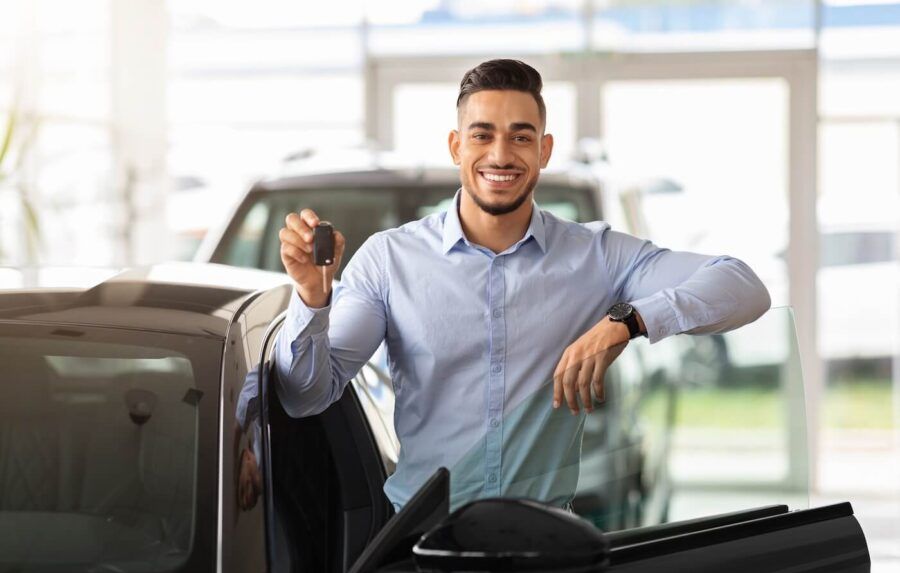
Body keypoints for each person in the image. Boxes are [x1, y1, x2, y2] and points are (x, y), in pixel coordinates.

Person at [273, 59, 770, 512]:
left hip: (543, 550)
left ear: (544, 150)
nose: (500, 154)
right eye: (482, 135)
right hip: (421, 547)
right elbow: (306, 395)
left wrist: (627, 322)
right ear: (456, 146)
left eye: (521, 136)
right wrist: (312, 299)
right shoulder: (388, 260)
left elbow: (744, 286)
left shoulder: (594, 255)